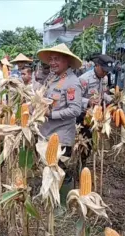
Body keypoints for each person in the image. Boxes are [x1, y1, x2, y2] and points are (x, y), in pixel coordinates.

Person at [37, 43, 82, 205]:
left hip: (61, 136)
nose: (53, 62)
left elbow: (75, 110)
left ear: (67, 62)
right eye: (51, 59)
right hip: (46, 133)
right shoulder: (51, 78)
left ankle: (61, 205)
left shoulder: (72, 82)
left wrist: (52, 114)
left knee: (60, 170)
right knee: (49, 169)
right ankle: (49, 200)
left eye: (57, 59)